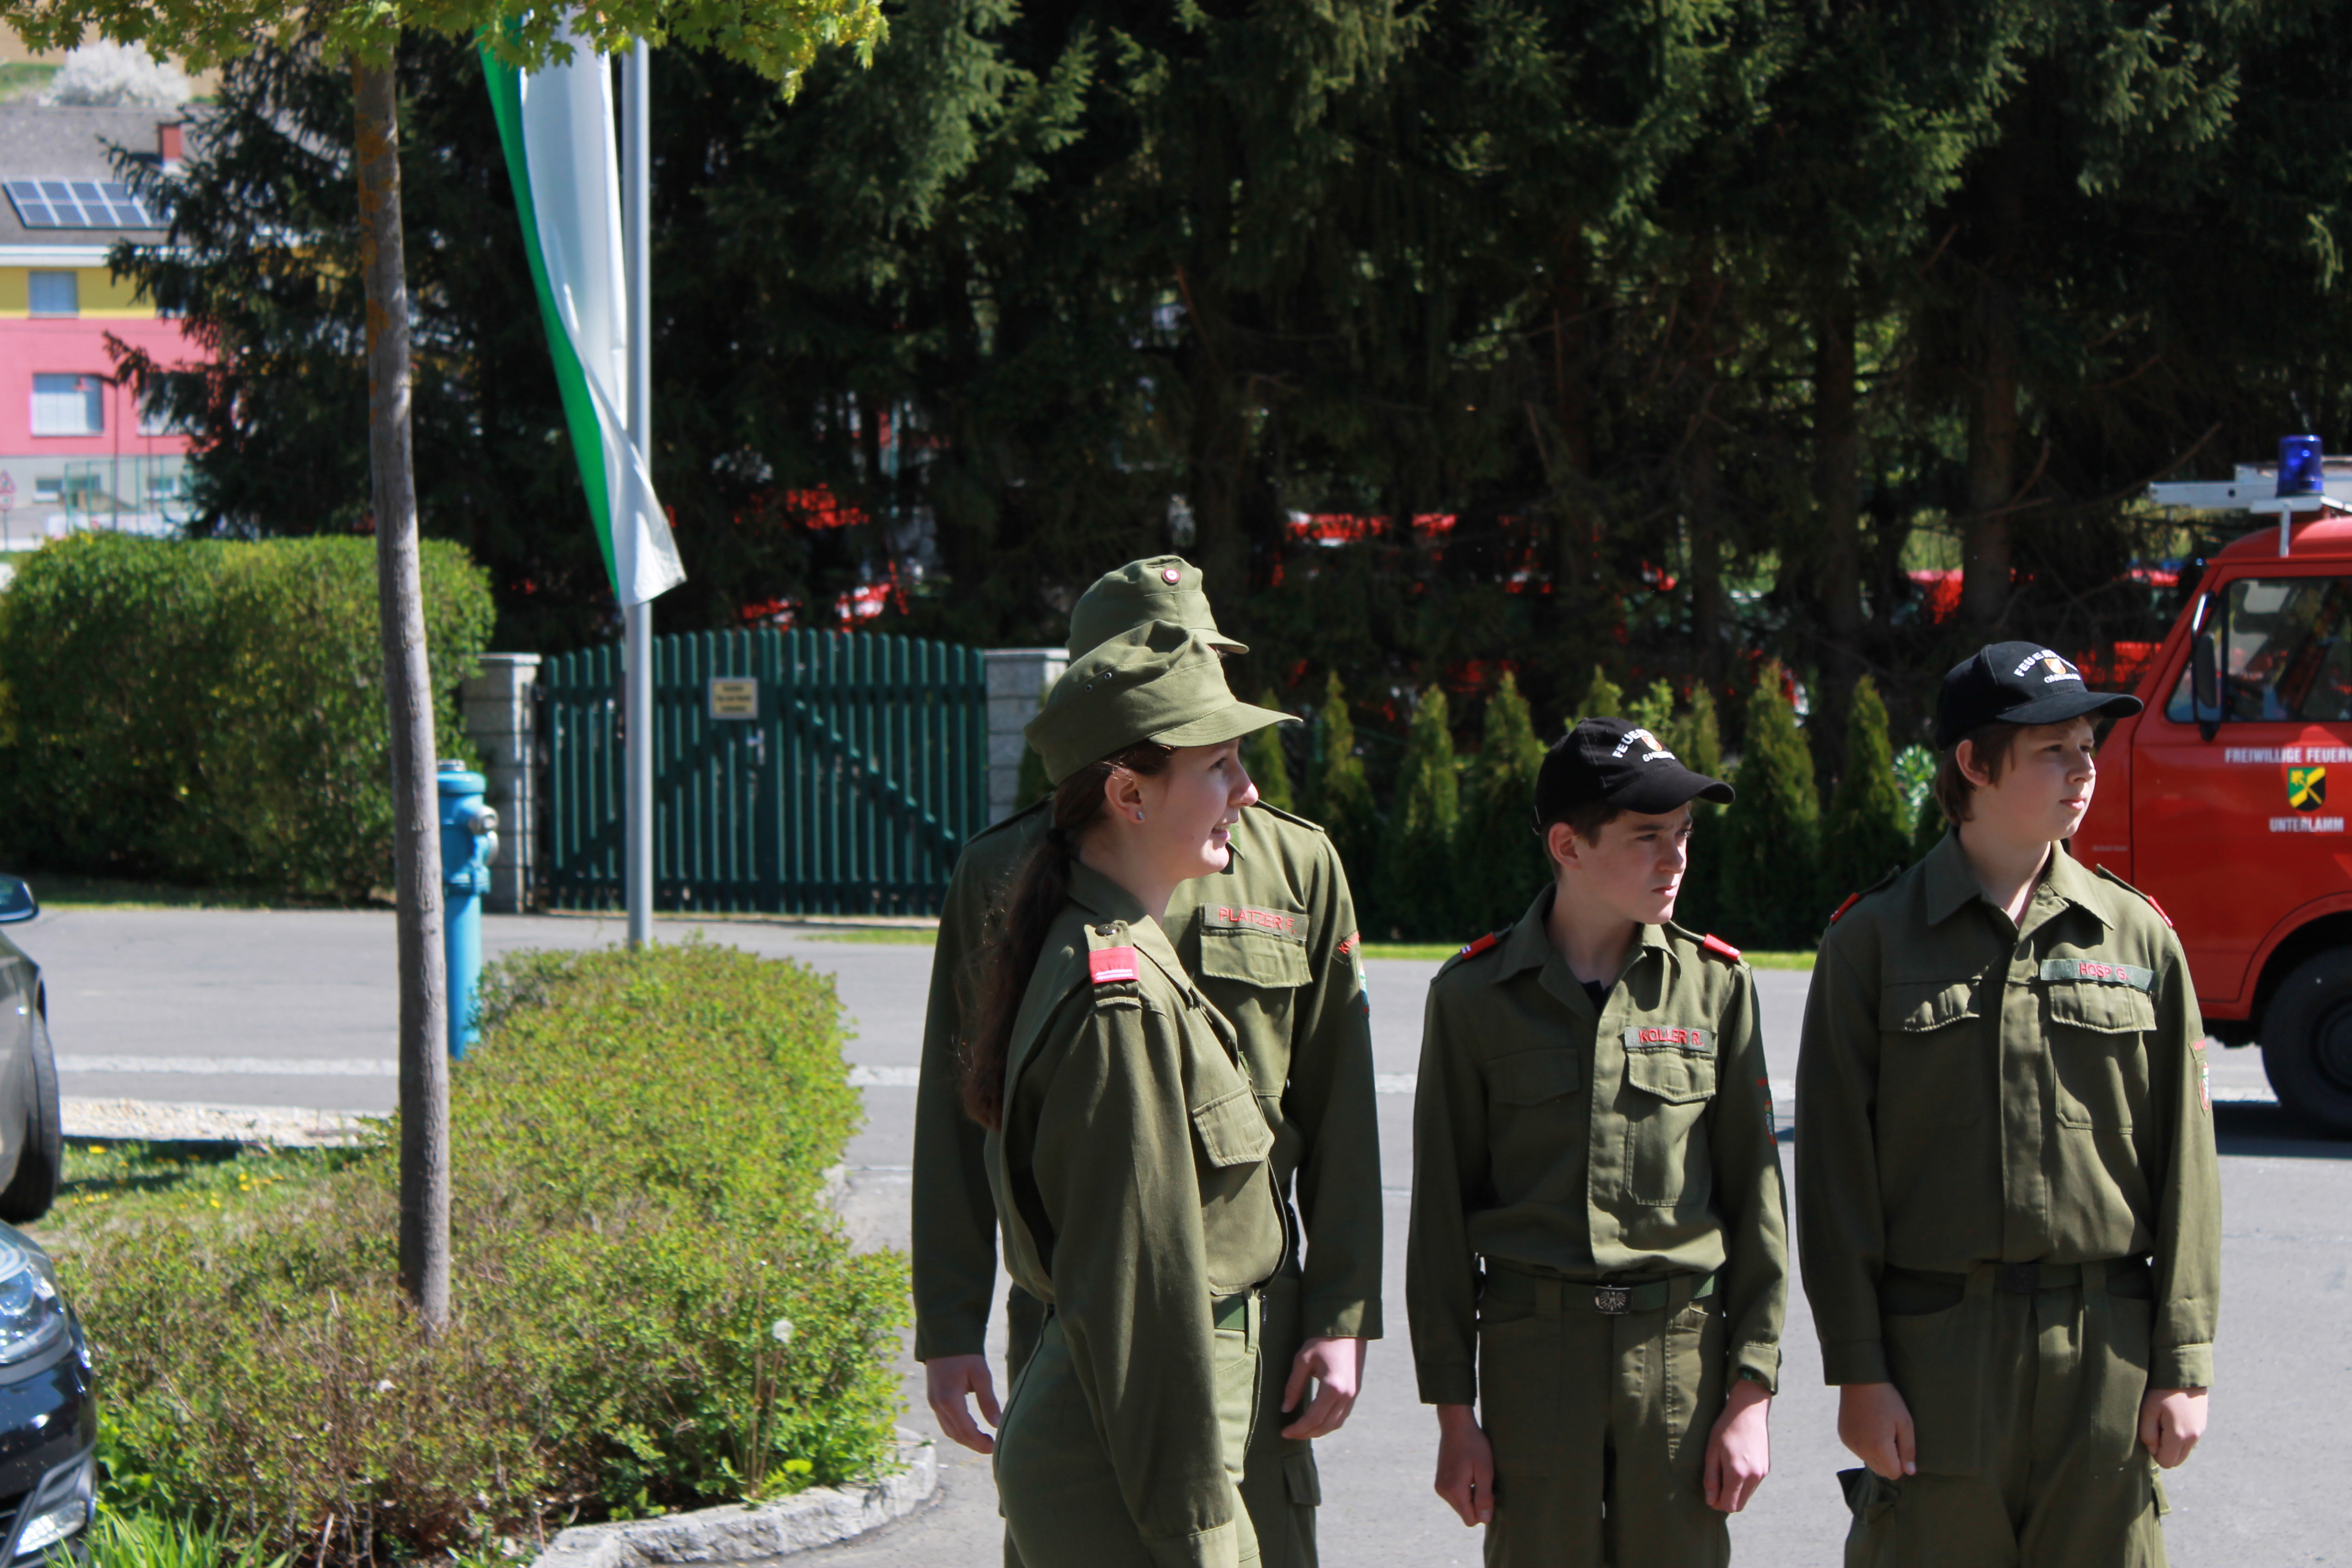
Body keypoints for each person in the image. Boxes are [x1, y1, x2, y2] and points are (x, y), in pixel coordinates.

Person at [913, 558, 1379, 1567]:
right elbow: (962, 1113)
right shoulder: (1022, 878)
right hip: (1095, 1309)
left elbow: (1341, 1105)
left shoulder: (1292, 860)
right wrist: (947, 1319)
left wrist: (1341, 1310)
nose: (1241, 786)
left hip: (1252, 1313)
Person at [1796, 643, 2222, 1567]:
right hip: (1937, 1354)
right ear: (1975, 765)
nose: (2084, 769)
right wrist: (1859, 1371)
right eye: (2052, 750)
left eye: (2088, 746)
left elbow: (2187, 1168)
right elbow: (1835, 1181)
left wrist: (2182, 1364)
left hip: (2104, 1354)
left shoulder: (2138, 937)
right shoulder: (1872, 943)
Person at [1407, 717, 1789, 1568]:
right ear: (1568, 846)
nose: (1676, 857)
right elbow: (1439, 1222)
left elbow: (1758, 1203)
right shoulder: (1474, 997)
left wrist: (1751, 1393)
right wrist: (1454, 1417)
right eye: (1648, 835)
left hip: (1679, 1358)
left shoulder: (1716, 988)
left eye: (1684, 833)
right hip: (1535, 1360)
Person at [966, 620, 1295, 1567]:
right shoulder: (1122, 997)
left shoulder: (1123, 949)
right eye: (1220, 766)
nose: (1248, 791)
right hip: (1129, 1468)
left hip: (1129, 1444)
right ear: (1128, 795)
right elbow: (1141, 1297)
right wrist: (1193, 1533)